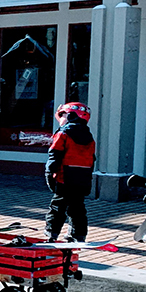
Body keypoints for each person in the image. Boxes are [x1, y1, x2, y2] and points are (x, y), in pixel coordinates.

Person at [45, 102, 96, 242]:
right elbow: (91, 160)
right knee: (77, 208)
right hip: (82, 179)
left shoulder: (63, 134)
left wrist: (49, 174)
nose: (60, 118)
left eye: (62, 115)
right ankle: (79, 235)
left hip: (64, 177)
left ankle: (51, 234)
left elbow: (54, 155)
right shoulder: (89, 136)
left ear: (70, 115)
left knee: (57, 207)